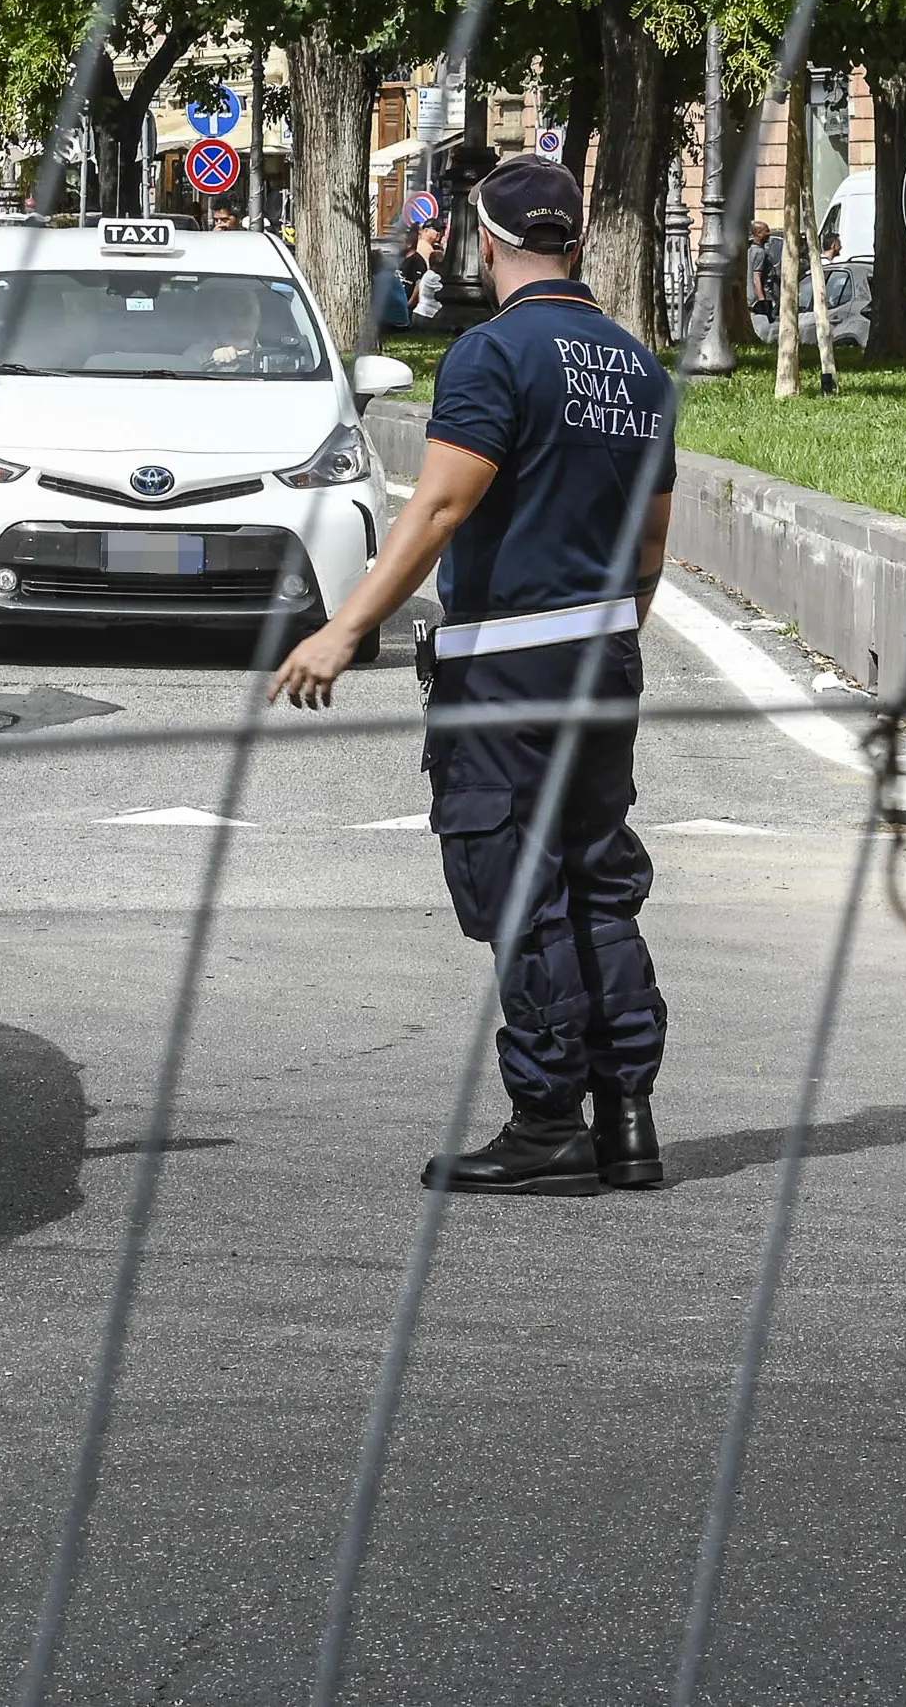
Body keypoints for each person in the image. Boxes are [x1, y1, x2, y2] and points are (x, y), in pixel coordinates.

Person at [271, 153, 675, 1198]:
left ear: (483, 241)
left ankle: (549, 1124)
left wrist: (343, 630)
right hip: (604, 659)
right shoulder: (637, 368)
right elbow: (649, 552)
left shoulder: (493, 356)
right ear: (575, 241)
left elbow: (442, 507)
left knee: (522, 886)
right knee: (597, 881)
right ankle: (626, 1117)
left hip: (509, 669)